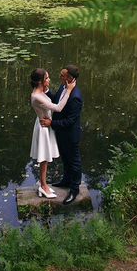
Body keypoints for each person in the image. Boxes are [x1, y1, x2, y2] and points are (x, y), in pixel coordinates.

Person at [29, 68, 75, 198]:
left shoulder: (40, 91)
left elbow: (49, 97)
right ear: (41, 81)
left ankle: (43, 183)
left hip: (44, 123)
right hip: (44, 127)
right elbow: (58, 107)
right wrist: (70, 90)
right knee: (44, 159)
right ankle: (43, 186)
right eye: (47, 78)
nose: (49, 80)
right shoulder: (37, 96)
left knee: (45, 159)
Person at [41, 65, 83, 205]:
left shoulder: (76, 96)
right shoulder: (63, 87)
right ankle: (66, 180)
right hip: (61, 132)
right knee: (65, 158)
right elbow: (56, 101)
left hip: (70, 135)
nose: (60, 77)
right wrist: (45, 91)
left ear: (70, 78)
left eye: (63, 75)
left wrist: (51, 123)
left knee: (74, 161)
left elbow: (70, 121)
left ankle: (74, 189)